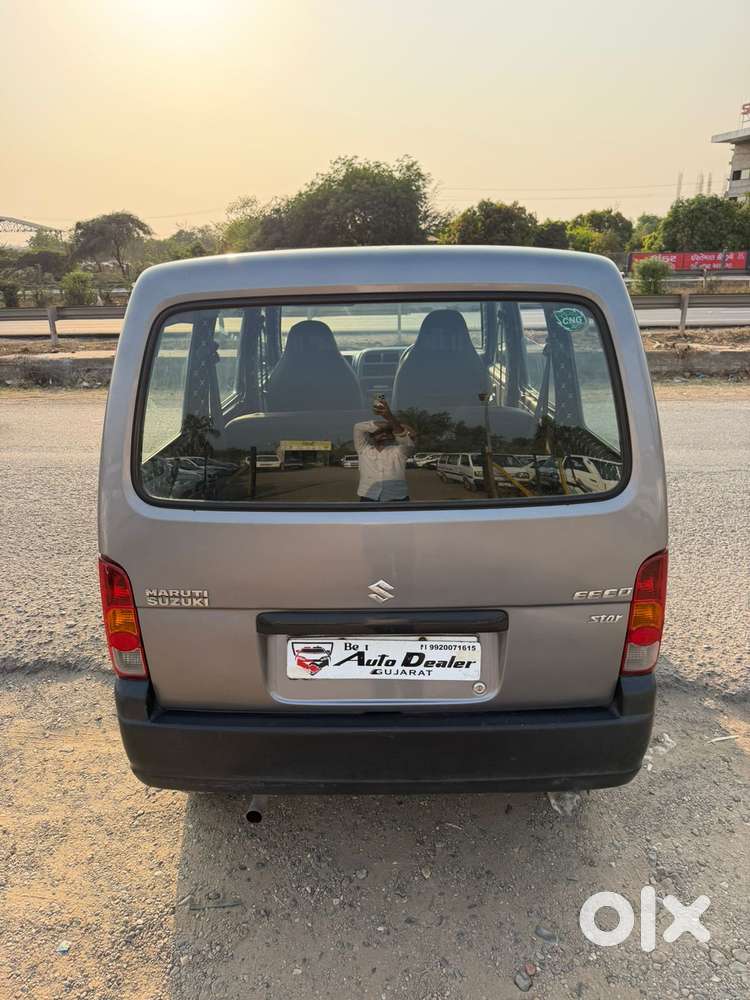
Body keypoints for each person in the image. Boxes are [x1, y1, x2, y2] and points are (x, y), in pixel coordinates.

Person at [353, 399, 415, 502]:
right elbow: (358, 427)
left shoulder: (400, 451)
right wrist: (390, 423)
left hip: (397, 499)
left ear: (393, 436)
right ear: (371, 436)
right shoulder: (363, 450)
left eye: (387, 432)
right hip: (368, 497)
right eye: (380, 432)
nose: (384, 435)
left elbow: (405, 440)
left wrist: (390, 417)